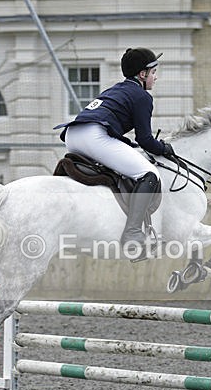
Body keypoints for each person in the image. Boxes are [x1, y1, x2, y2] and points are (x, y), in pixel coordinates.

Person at [55, 47, 175, 249]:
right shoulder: (142, 96)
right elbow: (145, 139)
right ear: (142, 74)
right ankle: (133, 233)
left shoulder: (116, 89)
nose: (156, 77)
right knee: (148, 174)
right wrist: (163, 148)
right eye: (153, 73)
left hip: (73, 134)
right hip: (93, 136)